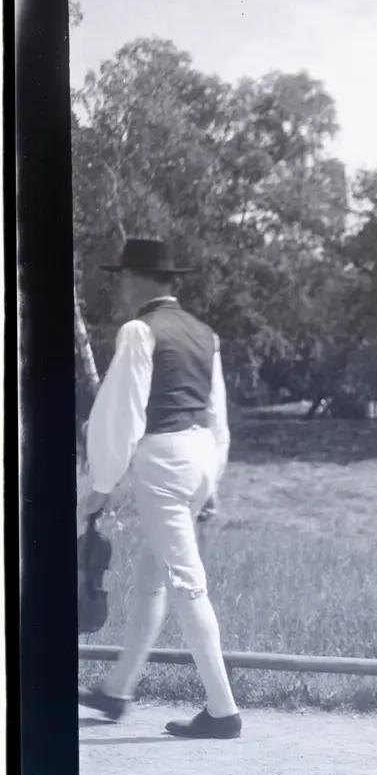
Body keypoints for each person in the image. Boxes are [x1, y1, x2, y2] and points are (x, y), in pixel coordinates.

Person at [77, 238, 242, 739]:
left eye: (122, 280)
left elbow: (123, 413)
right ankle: (117, 690)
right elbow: (217, 414)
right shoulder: (205, 334)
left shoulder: (139, 330)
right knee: (152, 576)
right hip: (200, 456)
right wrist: (213, 478)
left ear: (134, 280)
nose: (120, 290)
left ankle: (223, 711)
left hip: (164, 461)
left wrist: (101, 484)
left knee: (187, 583)